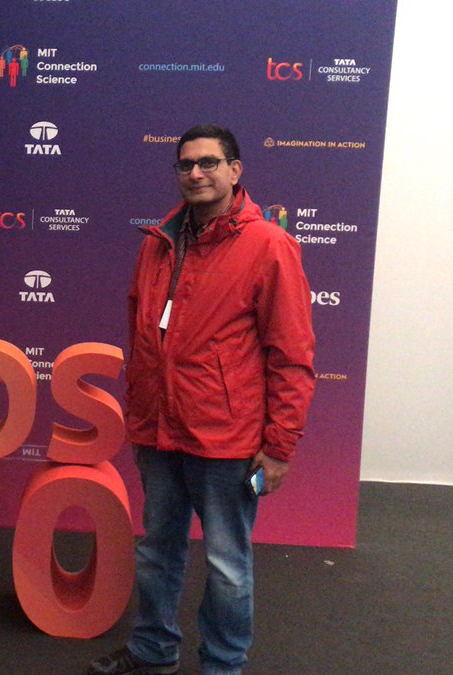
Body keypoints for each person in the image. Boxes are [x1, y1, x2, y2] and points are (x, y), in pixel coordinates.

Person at [88, 125, 315, 675]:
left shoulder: (270, 246)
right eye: (186, 164)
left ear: (235, 171)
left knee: (227, 564)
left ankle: (223, 665)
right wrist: (140, 410)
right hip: (158, 431)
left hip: (226, 438)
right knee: (157, 551)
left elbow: (292, 354)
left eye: (209, 162)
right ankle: (153, 650)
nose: (196, 173)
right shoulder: (157, 241)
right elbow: (142, 333)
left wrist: (279, 447)